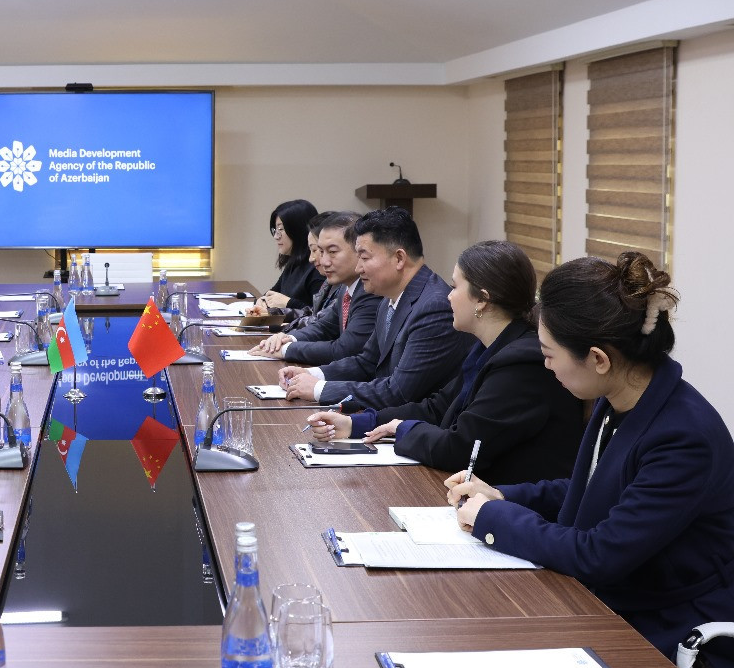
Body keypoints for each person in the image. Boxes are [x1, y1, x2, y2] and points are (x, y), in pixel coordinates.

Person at [448, 252, 734, 668]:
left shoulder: (684, 435)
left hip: (664, 629)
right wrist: (502, 494)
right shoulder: (620, 397)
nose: (545, 366)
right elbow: (594, 489)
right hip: (613, 602)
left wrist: (493, 520)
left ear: (598, 358)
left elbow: (600, 554)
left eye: (549, 354)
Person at [305, 240, 584, 484]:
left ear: (482, 301)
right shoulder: (488, 347)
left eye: (455, 287)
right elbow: (438, 407)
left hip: (513, 502)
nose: (447, 295)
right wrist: (356, 424)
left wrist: (403, 429)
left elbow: (461, 447)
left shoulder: (521, 363)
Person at [278, 207, 472, 407]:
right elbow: (367, 363)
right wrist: (311, 374)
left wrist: (318, 388)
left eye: (364, 257)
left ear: (399, 258)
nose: (358, 268)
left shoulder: (433, 307)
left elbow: (398, 392)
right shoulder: (390, 296)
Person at [249, 212, 380, 364]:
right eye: (321, 251)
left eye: (332, 252)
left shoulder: (370, 291)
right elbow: (323, 327)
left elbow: (344, 350)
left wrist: (286, 349)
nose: (323, 261)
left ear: (359, 250)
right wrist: (289, 338)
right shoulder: (348, 288)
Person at [256, 199, 324, 312]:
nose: (276, 236)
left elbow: (320, 314)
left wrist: (288, 303)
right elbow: (271, 294)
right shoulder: (294, 263)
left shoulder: (318, 268)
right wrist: (261, 301)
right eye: (275, 230)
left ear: (298, 230)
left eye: (281, 229)